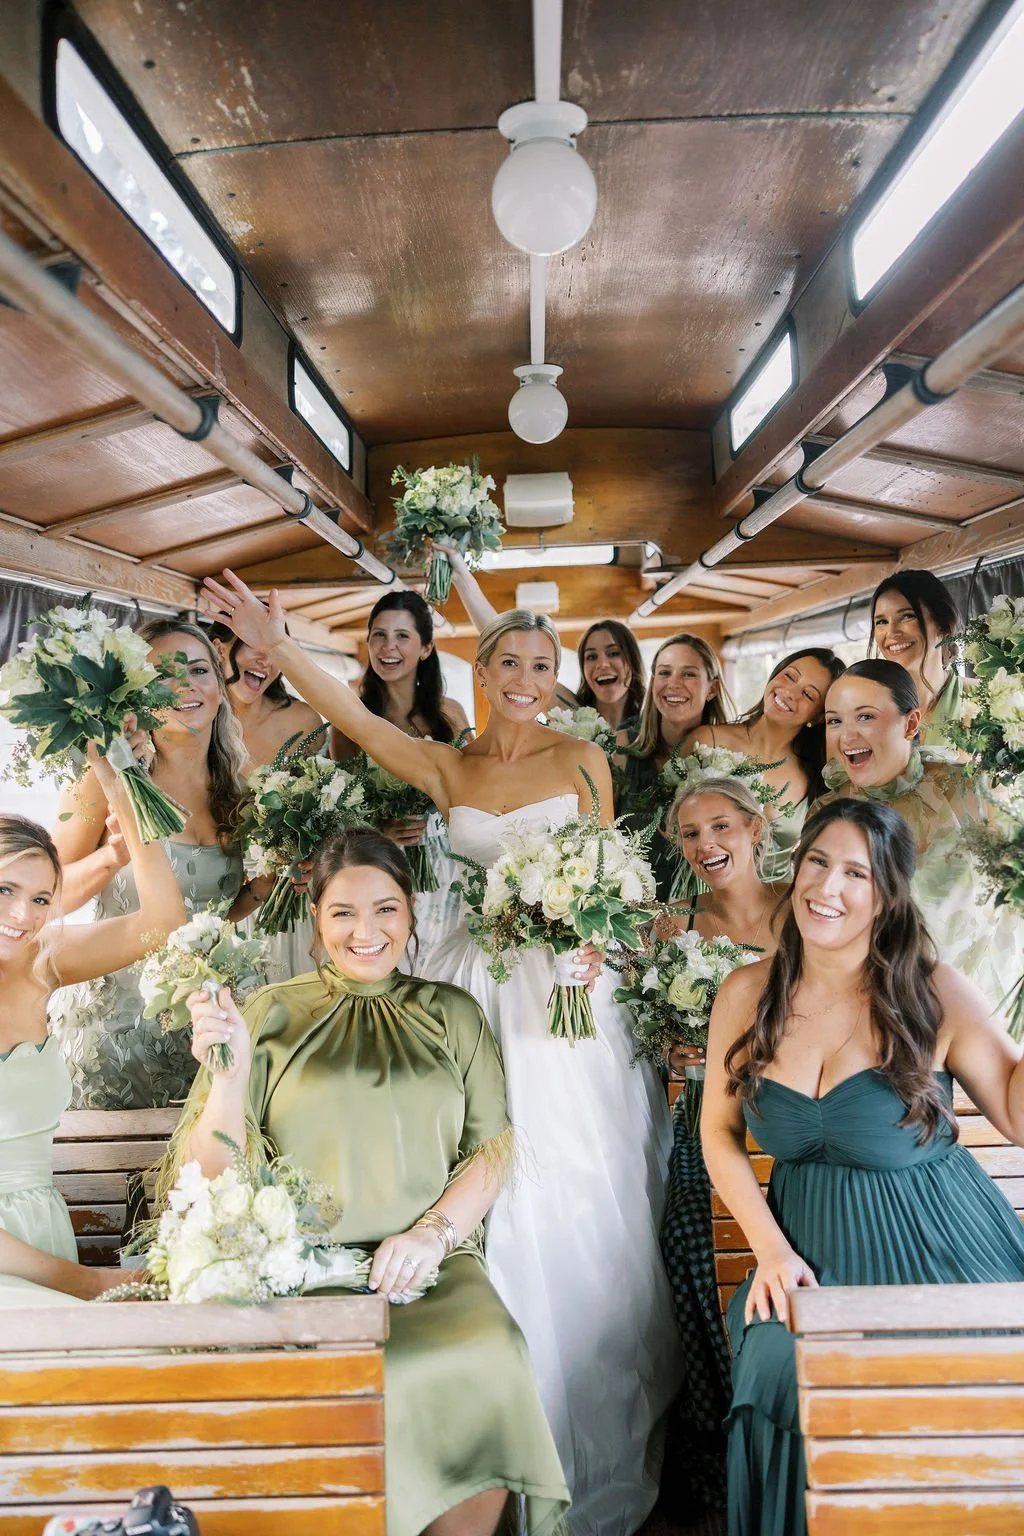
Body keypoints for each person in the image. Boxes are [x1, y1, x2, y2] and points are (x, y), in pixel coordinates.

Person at [200, 568, 682, 1535]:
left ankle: (567, 1422)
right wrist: (279, 642)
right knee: (457, 1157)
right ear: (481, 663)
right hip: (469, 986)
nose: (526, 676)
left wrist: (593, 935)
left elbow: (607, 881)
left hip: (559, 997)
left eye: (544, 665)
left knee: (566, 1182)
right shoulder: (450, 767)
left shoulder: (585, 759)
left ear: (556, 679)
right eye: (508, 658)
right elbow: (359, 718)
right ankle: (467, 1424)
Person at [167, 828, 569, 1536]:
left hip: (434, 1271)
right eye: (343, 912)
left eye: (385, 909)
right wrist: (227, 1080)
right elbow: (210, 1173)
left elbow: (492, 1151)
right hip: (302, 1271)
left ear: (411, 912)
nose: (366, 931)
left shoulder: (454, 1013)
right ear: (316, 917)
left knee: (492, 1351)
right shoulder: (267, 1014)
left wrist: (433, 1234)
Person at [701, 798, 1024, 1536]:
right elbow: (718, 1133)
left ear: (887, 897)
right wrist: (771, 1252)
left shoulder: (929, 989)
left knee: (953, 1375)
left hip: (938, 1246)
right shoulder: (748, 994)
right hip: (804, 1256)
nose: (829, 888)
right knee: (779, 1370)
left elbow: (1014, 1106)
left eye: (858, 873)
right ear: (796, 865)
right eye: (819, 861)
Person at [0, 755, 186, 1307]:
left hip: (41, 1238)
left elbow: (162, 921)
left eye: (40, 899)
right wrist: (87, 1282)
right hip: (38, 1272)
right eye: (4, 890)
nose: (22, 915)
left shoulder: (39, 964)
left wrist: (120, 786)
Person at [49, 619, 251, 1109]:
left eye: (200, 670)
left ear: (220, 690)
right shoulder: (104, 777)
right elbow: (47, 898)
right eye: (162, 675)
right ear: (134, 696)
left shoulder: (243, 789)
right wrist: (111, 856)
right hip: (116, 1029)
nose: (186, 685)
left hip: (206, 1019)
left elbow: (215, 910)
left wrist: (266, 890)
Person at [654, 775, 784, 1513]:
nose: (708, 845)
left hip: (794, 1115)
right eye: (692, 834)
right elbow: (653, 1034)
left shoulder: (804, 907)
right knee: (683, 1249)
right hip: (708, 1116)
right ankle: (718, 1434)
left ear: (756, 828)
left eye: (722, 828)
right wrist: (674, 1049)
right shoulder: (672, 926)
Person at [817, 659, 1020, 1017]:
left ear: (911, 723)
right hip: (877, 1014)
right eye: (835, 720)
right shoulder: (826, 812)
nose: (846, 736)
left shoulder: (971, 790)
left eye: (865, 717)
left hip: (985, 1009)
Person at [331, 590, 471, 973]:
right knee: (393, 961)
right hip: (379, 863)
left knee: (440, 966)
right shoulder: (350, 719)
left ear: (426, 648)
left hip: (444, 861)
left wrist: (437, 819)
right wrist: (381, 829)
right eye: (379, 635)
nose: (388, 647)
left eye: (402, 636)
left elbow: (472, 792)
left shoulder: (450, 715)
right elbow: (340, 805)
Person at [436, 542, 646, 734]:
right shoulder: (572, 713)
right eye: (591, 657)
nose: (602, 663)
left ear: (632, 661)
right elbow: (500, 636)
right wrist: (461, 577)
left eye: (613, 653)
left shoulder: (654, 720)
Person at [684, 649, 846, 882]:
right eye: (789, 676)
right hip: (700, 900)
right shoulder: (706, 741)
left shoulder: (817, 776)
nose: (790, 692)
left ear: (819, 716)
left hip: (777, 907)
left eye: (808, 694)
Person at [616, 633, 732, 899]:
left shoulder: (730, 757)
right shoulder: (622, 749)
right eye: (664, 673)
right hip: (630, 913)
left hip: (704, 912)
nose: (673, 684)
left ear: (712, 688)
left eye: (688, 674)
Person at [208, 620, 324, 771]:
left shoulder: (303, 720)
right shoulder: (193, 724)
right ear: (219, 648)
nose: (267, 661)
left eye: (276, 651)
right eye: (255, 644)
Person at [870, 570, 964, 747]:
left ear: (942, 625)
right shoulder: (868, 707)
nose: (891, 632)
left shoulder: (984, 700)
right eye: (881, 621)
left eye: (907, 616)